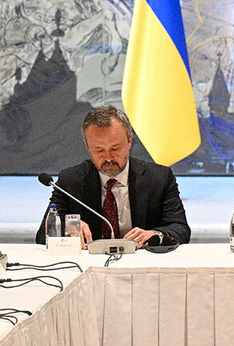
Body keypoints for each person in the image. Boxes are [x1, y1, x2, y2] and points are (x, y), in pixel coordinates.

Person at [35, 105, 190, 247]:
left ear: (129, 141)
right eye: (99, 150)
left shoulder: (158, 178)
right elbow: (43, 235)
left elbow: (180, 229)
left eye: (115, 149)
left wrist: (156, 235)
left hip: (142, 261)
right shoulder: (70, 181)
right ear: (87, 146)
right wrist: (69, 228)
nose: (108, 158)